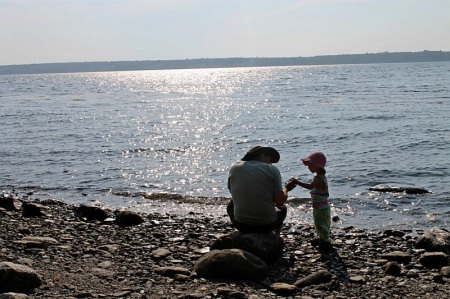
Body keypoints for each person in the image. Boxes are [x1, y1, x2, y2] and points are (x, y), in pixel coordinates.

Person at [227, 146, 292, 234]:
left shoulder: (234, 168)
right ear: (262, 156)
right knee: (283, 208)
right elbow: (279, 202)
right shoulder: (272, 169)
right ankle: (277, 236)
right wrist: (286, 189)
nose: (271, 163)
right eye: (270, 160)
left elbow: (233, 192)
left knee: (231, 203)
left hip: (241, 224)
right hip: (267, 225)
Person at [286, 151, 332, 251]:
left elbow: (310, 186)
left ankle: (325, 242)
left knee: (322, 224)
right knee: (319, 223)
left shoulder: (319, 179)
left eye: (310, 165)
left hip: (321, 207)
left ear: (317, 166)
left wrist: (296, 181)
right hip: (320, 206)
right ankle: (321, 239)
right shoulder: (319, 177)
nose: (308, 168)